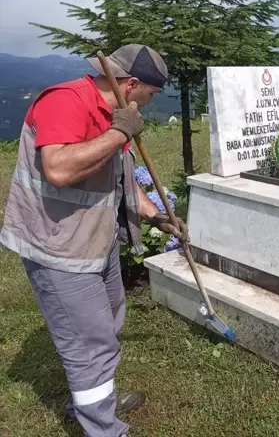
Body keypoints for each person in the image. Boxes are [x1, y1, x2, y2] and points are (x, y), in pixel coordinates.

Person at [0, 44, 189, 437]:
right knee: (90, 346)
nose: (149, 104)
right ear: (132, 84)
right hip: (58, 248)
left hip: (94, 243)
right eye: (150, 95)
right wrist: (119, 132)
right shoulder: (65, 103)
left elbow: (120, 180)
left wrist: (157, 217)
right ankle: (103, 427)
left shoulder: (117, 113)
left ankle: (93, 396)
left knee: (106, 327)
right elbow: (59, 169)